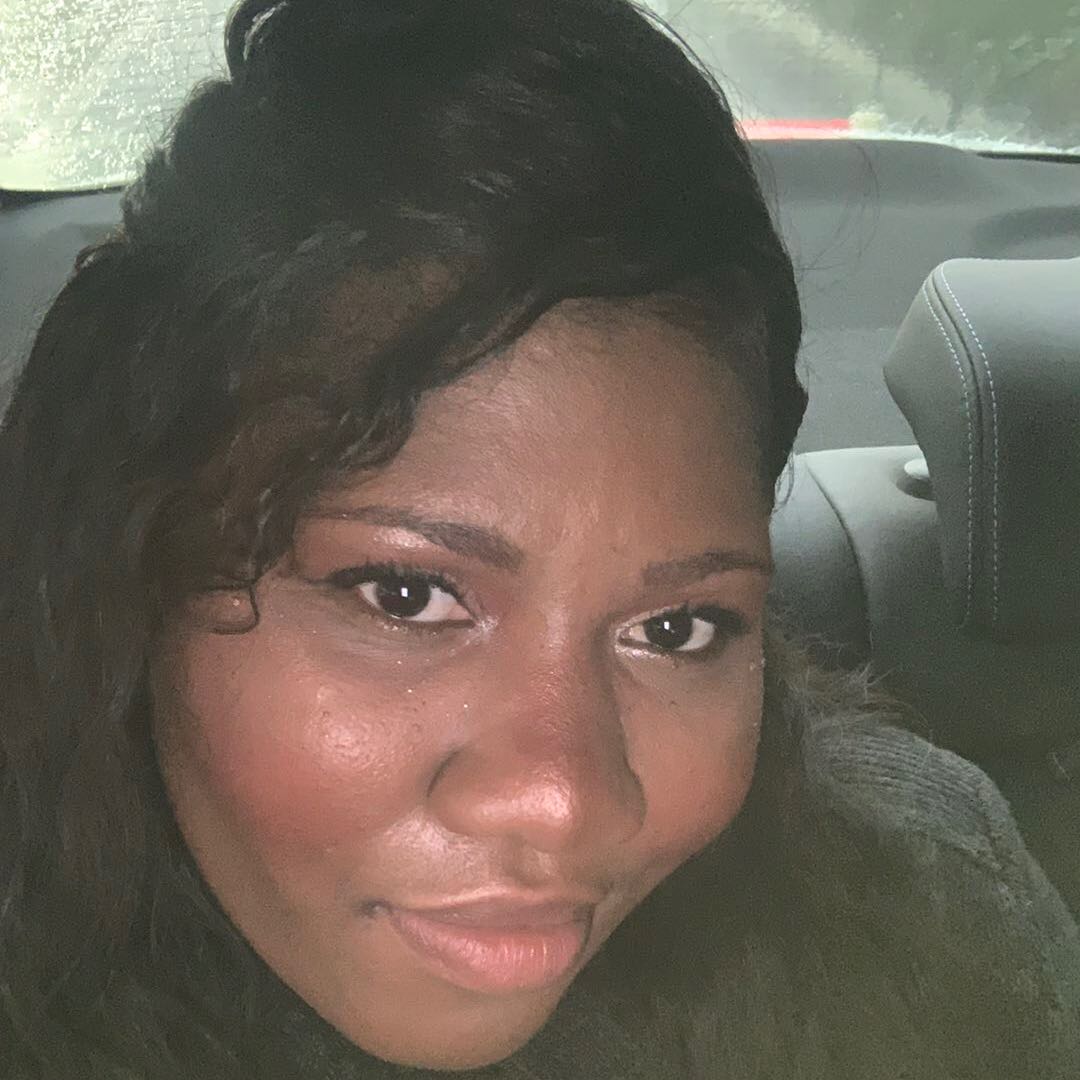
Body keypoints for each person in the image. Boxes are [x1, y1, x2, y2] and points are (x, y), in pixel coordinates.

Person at [1, 1, 1077, 1077]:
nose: (567, 803)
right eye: (407, 596)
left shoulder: (930, 904)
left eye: (677, 628)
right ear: (135, 555)